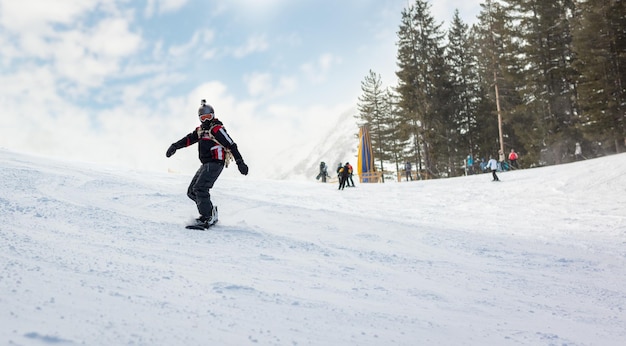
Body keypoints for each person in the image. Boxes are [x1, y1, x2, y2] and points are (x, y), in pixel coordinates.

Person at [166, 100, 249, 229]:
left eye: (208, 117)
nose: (206, 121)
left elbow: (231, 145)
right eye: (203, 118)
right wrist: (175, 146)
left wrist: (240, 162)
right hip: (206, 164)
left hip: (216, 162)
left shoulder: (216, 129)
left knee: (200, 188)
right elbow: (188, 139)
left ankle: (207, 217)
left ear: (213, 116)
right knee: (192, 191)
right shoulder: (200, 130)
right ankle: (210, 213)